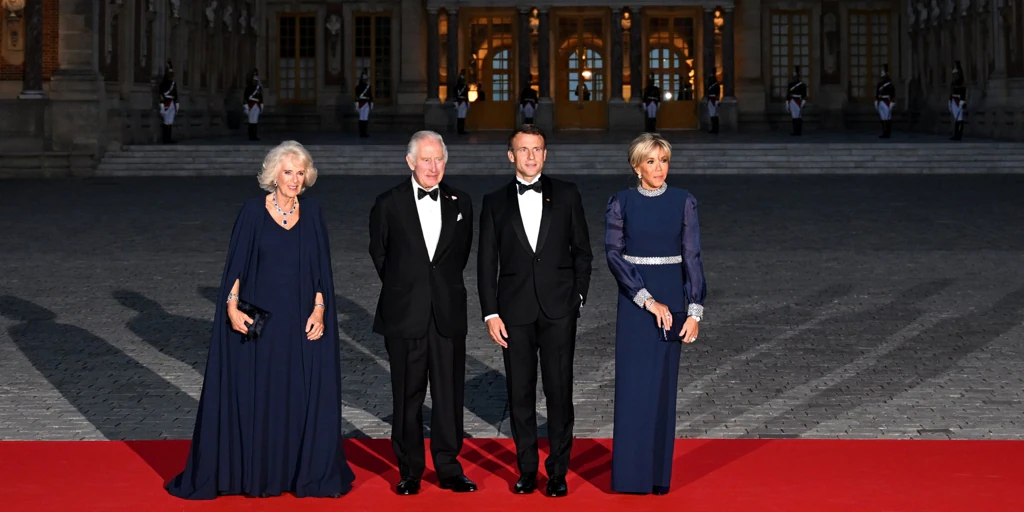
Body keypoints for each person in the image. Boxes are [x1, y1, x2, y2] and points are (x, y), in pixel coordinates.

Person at [165, 141, 355, 500]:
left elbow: (321, 272)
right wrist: (231, 306)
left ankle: (295, 473)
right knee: (259, 396)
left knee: (297, 395)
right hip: (261, 324)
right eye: (288, 172)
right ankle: (255, 472)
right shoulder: (252, 212)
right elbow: (236, 266)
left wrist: (320, 309)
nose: (295, 180)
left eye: (300, 173)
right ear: (273, 175)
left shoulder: (313, 213)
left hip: (299, 322)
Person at [478, 125, 593, 497]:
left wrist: (577, 297)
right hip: (514, 313)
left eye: (537, 149)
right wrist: (490, 313)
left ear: (545, 154)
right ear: (510, 155)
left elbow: (583, 252)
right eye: (523, 150)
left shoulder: (568, 194)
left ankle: (558, 471)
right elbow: (485, 264)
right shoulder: (494, 202)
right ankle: (527, 469)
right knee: (519, 393)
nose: (531, 156)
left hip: (560, 310)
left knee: (560, 393)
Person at [368, 131, 478, 496]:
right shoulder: (388, 203)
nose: (433, 167)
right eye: (426, 160)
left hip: (447, 313)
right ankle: (410, 469)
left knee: (449, 395)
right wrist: (409, 289)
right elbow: (381, 256)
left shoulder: (461, 201)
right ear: (410, 161)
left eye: (439, 160)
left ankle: (448, 467)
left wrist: (436, 289)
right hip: (404, 314)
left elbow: (458, 257)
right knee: (407, 395)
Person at [606, 132, 707, 496]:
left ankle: (657, 477)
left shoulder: (684, 201)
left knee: (663, 391)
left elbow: (692, 256)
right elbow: (614, 256)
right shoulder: (621, 202)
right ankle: (630, 478)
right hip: (636, 304)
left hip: (674, 304)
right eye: (651, 161)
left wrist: (694, 311)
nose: (659, 168)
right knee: (634, 388)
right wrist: (647, 300)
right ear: (636, 166)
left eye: (663, 160)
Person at [158, 60, 179, 144]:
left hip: (172, 104)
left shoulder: (173, 83)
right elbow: (161, 95)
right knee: (166, 122)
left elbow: (175, 95)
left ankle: (169, 138)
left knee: (170, 122)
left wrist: (177, 105)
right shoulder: (162, 84)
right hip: (166, 103)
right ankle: (165, 138)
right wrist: (162, 106)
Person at [875, 64, 896, 139]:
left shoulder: (890, 85)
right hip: (881, 101)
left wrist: (892, 103)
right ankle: (884, 132)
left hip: (887, 102)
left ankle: (888, 133)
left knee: (887, 118)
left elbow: (892, 95)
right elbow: (877, 93)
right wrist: (876, 101)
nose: (882, 78)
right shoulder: (880, 84)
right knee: (883, 118)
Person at [243, 68, 263, 141]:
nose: (255, 80)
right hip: (251, 105)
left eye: (256, 79)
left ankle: (254, 135)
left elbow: (260, 97)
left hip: (256, 104)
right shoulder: (248, 88)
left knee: (255, 121)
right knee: (251, 121)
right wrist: (246, 106)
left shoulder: (258, 88)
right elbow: (245, 98)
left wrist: (261, 105)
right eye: (254, 79)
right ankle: (250, 135)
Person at [786, 66, 807, 136]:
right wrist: (787, 103)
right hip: (792, 101)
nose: (795, 78)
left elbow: (804, 95)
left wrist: (803, 102)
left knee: (799, 117)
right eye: (794, 76)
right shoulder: (790, 85)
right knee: (794, 117)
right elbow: (788, 94)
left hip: (799, 101)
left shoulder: (802, 85)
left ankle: (798, 131)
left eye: (796, 76)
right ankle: (795, 131)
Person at [949, 61, 967, 141]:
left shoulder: (961, 82)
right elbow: (951, 92)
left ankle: (959, 135)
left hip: (959, 101)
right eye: (954, 74)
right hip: (953, 101)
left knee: (959, 119)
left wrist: (962, 102)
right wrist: (949, 102)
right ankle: (956, 134)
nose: (955, 76)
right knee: (956, 119)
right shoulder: (953, 83)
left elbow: (963, 91)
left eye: (956, 74)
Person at [355, 69, 373, 138]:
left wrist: (371, 103)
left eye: (366, 79)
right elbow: (356, 96)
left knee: (365, 118)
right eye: (364, 79)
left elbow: (370, 95)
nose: (365, 80)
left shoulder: (368, 86)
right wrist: (356, 104)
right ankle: (361, 133)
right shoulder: (357, 87)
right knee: (361, 118)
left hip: (366, 103)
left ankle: (365, 132)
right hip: (361, 103)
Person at [705, 68, 721, 134]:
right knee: (712, 115)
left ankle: (715, 129)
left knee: (714, 115)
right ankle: (714, 128)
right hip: (711, 100)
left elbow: (717, 94)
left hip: (713, 100)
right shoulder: (712, 85)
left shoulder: (716, 85)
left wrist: (717, 101)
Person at [455, 70, 470, 135]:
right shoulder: (465, 87)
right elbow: (466, 95)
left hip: (459, 102)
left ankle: (460, 130)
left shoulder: (456, 87)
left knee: (460, 116)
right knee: (462, 116)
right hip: (462, 102)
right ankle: (461, 130)